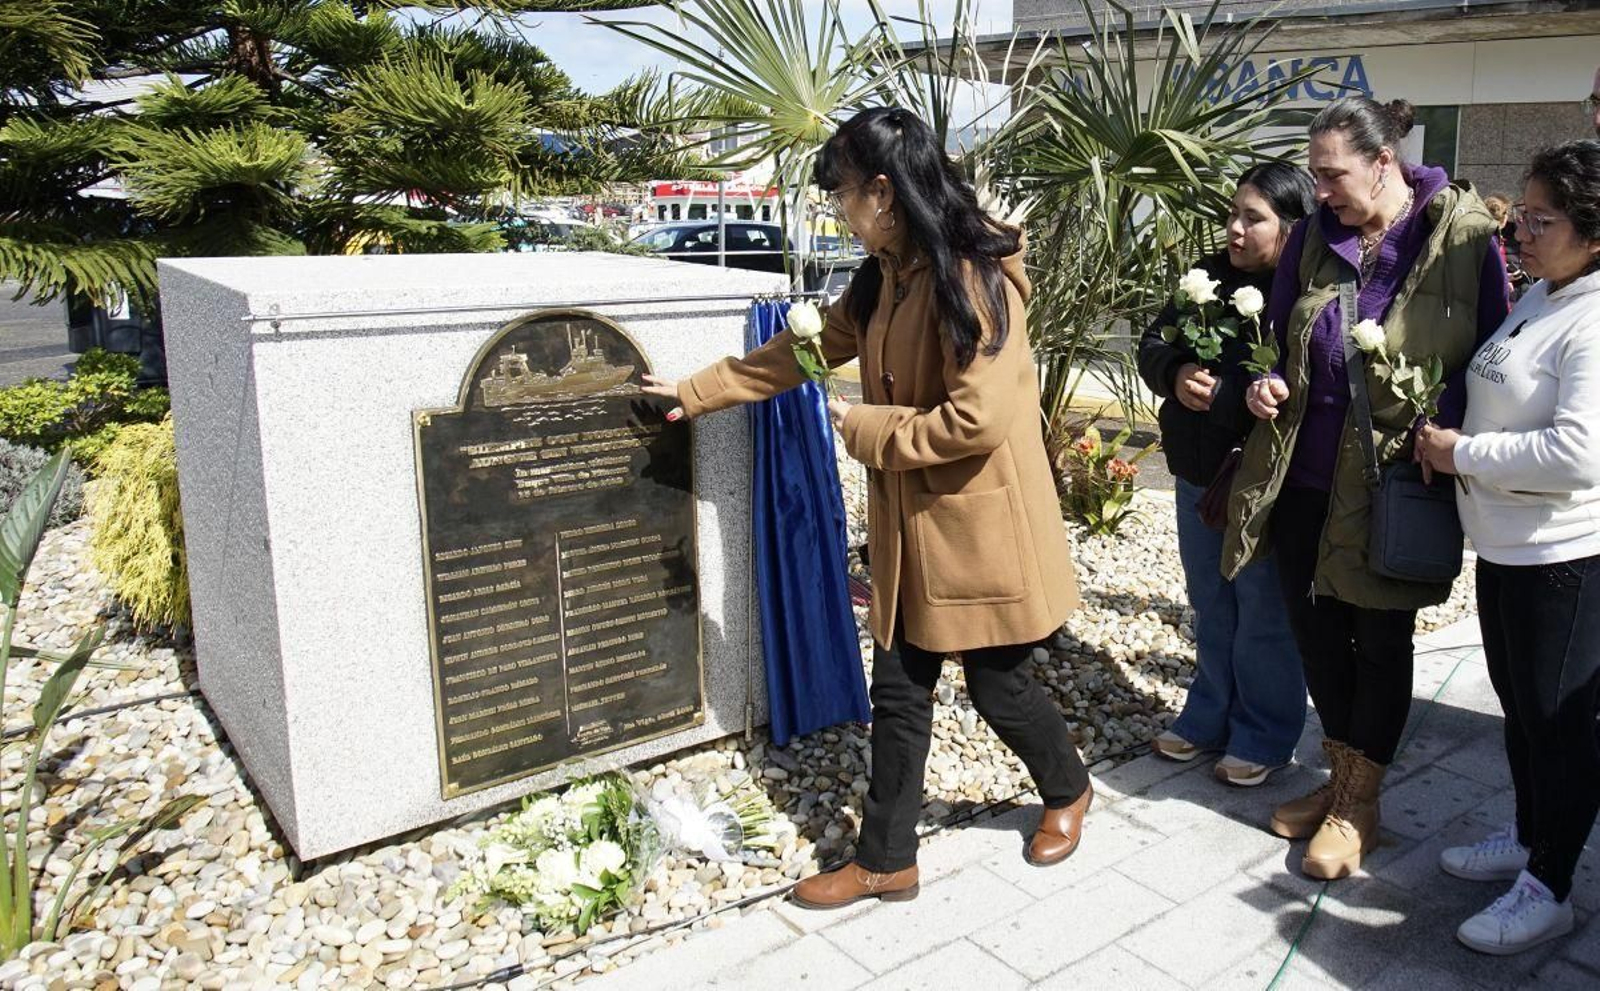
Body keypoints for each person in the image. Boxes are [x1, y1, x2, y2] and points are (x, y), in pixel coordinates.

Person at [642, 107, 1091, 909]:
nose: (837, 211)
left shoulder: (970, 276)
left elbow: (978, 418)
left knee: (999, 687)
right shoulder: (888, 270)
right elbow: (809, 348)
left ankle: (1068, 786)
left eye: (842, 194)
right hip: (911, 531)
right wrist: (695, 392)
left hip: (976, 529)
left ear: (882, 192)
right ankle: (888, 859)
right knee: (899, 691)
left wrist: (867, 428)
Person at [1223, 96, 1509, 880]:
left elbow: (1496, 356)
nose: (1319, 191)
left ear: (1385, 162)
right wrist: (1267, 389)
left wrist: (1449, 431)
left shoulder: (1461, 234)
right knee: (1318, 634)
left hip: (1393, 484)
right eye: (1315, 175)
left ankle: (1361, 805)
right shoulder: (1316, 236)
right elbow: (1281, 342)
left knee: (1378, 640)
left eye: (1332, 174)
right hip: (1306, 478)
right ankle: (1339, 780)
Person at [1415, 139, 1600, 955]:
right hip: (1506, 551)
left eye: (1541, 219)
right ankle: (1529, 838)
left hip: (1564, 560)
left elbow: (1579, 452)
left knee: (1560, 727)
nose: (1519, 231)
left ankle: (1551, 885)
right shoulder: (1544, 294)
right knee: (1522, 717)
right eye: (1521, 214)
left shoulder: (1594, 317)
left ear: (1595, 232)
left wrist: (1463, 455)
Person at [1137, 164, 1315, 787]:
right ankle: (1207, 718)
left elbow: (1309, 384)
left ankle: (1264, 734)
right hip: (1197, 473)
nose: (1234, 229)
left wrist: (1233, 394)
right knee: (1211, 603)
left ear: (1292, 228)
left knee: (1262, 608)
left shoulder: (1308, 292)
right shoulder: (1205, 279)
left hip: (1265, 483)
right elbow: (1152, 344)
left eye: (1253, 217)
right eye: (1233, 214)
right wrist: (1176, 372)